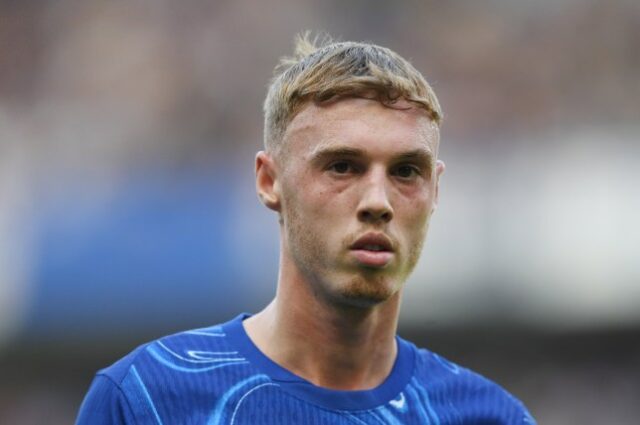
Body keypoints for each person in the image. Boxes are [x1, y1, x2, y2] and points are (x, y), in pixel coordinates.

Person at [76, 34, 536, 424]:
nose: (377, 201)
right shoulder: (146, 399)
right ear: (269, 181)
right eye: (342, 166)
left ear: (435, 190)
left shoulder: (491, 417)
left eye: (405, 171)